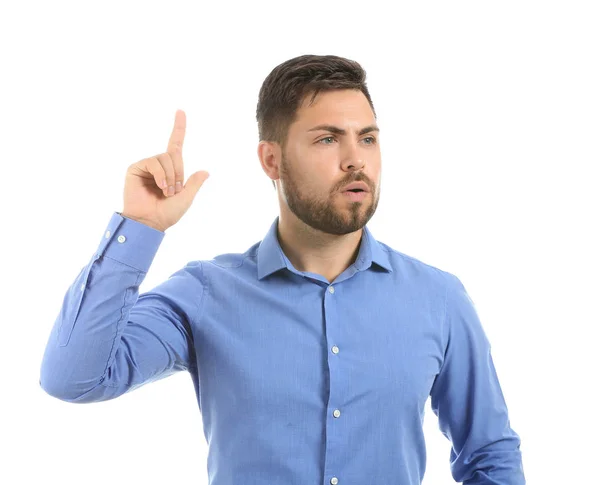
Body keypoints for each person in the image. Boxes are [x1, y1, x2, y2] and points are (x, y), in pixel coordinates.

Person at [39, 54, 526, 484]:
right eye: (328, 139)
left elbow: (490, 456)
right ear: (272, 160)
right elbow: (73, 377)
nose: (356, 160)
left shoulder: (438, 298)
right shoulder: (205, 293)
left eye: (368, 138)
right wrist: (139, 227)